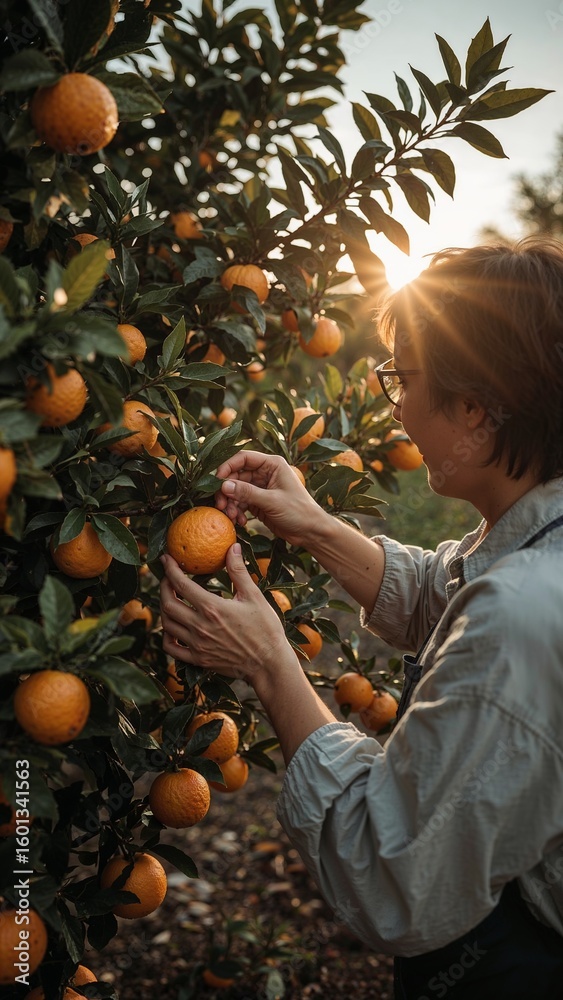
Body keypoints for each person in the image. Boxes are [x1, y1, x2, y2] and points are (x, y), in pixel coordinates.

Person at [159, 238, 563, 998]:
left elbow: (394, 873)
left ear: (473, 407)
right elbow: (454, 596)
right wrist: (312, 524)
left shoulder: (525, 613)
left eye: (401, 379)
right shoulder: (539, 544)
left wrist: (271, 663)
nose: (396, 404)